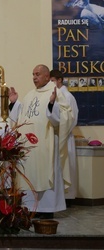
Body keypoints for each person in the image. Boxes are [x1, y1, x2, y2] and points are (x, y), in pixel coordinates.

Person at [8, 64, 75, 219]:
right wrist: (14, 103)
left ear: (46, 76)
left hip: (46, 143)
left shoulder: (55, 92)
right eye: (33, 74)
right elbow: (20, 118)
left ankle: (47, 208)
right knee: (29, 172)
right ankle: (30, 207)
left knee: (46, 171)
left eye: (37, 74)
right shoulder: (30, 95)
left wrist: (52, 104)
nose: (34, 77)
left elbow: (65, 118)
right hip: (29, 146)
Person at [50, 69, 79, 207]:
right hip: (55, 135)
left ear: (59, 80)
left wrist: (62, 130)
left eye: (52, 80)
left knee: (66, 166)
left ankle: (67, 198)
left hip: (65, 136)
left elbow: (72, 118)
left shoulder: (68, 97)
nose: (51, 83)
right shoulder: (53, 95)